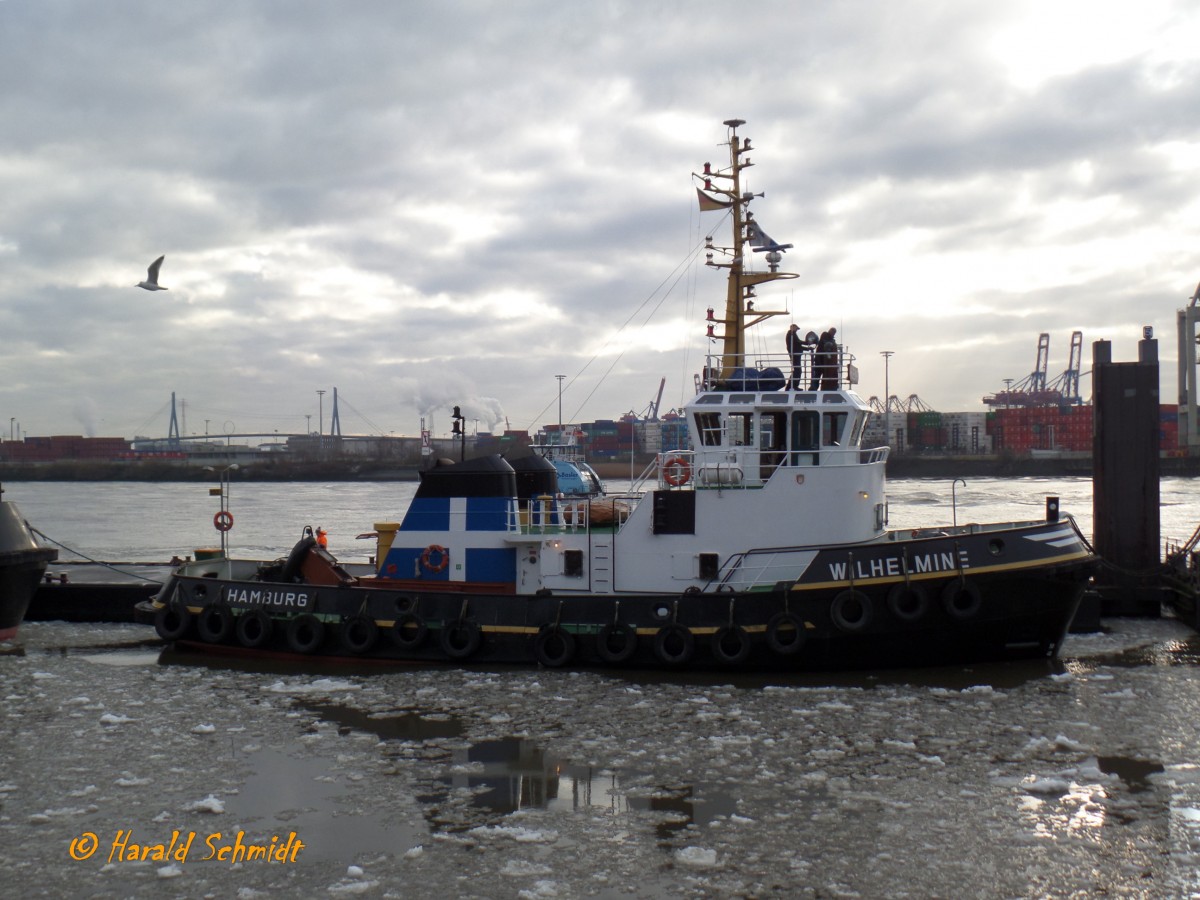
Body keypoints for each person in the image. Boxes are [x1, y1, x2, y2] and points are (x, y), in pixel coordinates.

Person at [784, 324, 809, 390]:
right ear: (792, 327)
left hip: (796, 354)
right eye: (796, 328)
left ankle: (791, 386)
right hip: (795, 355)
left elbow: (797, 344)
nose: (796, 330)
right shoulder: (791, 334)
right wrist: (807, 343)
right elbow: (798, 342)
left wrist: (807, 348)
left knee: (797, 371)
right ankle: (793, 386)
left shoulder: (793, 334)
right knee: (797, 371)